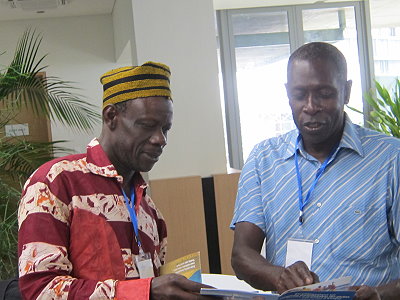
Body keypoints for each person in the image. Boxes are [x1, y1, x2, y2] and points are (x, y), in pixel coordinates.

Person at [17, 62, 211, 299]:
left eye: (165, 129)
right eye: (148, 126)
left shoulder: (150, 210)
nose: (161, 139)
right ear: (111, 117)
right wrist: (144, 291)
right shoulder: (55, 183)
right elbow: (39, 290)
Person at [230, 42, 400, 300]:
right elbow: (242, 255)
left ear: (346, 91)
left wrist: (380, 294)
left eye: (324, 94)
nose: (311, 106)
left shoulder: (390, 159)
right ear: (288, 94)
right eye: (300, 95)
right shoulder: (264, 159)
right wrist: (279, 276)